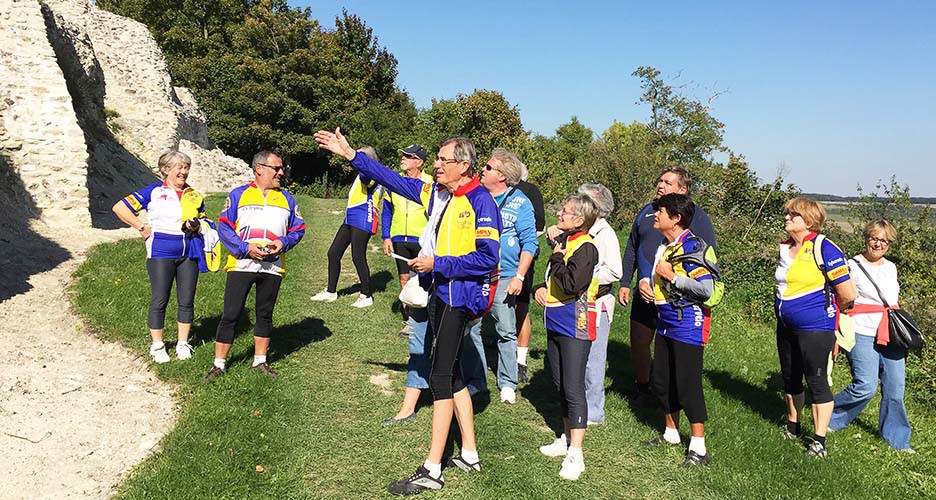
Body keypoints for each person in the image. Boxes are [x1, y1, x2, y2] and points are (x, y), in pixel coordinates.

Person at [314, 128, 500, 496]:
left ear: (463, 165)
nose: (436, 165)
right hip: (440, 291)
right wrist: (352, 154)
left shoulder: (481, 202)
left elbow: (487, 258)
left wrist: (437, 264)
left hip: (458, 297)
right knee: (454, 371)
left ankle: (432, 469)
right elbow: (392, 180)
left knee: (440, 375)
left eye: (443, 160)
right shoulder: (436, 192)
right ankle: (470, 453)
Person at [202, 151, 306, 380]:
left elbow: (298, 229)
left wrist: (283, 242)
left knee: (265, 314)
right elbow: (224, 227)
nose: (281, 172)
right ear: (259, 168)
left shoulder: (287, 199)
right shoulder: (239, 195)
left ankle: (260, 361)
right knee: (231, 314)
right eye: (276, 168)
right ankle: (218, 365)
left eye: (281, 169)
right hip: (242, 264)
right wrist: (245, 248)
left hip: (273, 266)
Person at [618, 167, 716, 403]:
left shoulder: (697, 217)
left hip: (676, 296)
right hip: (645, 289)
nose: (660, 185)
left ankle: (673, 393)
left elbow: (706, 256)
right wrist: (626, 281)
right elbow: (634, 246)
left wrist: (679, 281)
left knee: (670, 346)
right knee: (639, 340)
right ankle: (642, 388)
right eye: (660, 181)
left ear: (683, 189)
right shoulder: (647, 212)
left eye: (667, 182)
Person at [637, 193, 715, 467]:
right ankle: (671, 433)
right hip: (666, 319)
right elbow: (658, 276)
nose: (655, 215)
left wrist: (672, 277)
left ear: (676, 218)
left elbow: (707, 289)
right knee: (663, 380)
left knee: (687, 383)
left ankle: (699, 448)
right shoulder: (664, 245)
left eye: (660, 211)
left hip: (688, 323)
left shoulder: (694, 246)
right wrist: (646, 283)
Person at [774, 196, 856, 458]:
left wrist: (830, 315)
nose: (787, 218)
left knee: (817, 380)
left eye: (793, 215)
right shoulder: (784, 247)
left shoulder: (824, 247)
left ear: (808, 221)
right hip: (785, 324)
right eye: (787, 214)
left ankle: (819, 440)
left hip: (816, 326)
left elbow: (847, 293)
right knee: (790, 377)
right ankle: (793, 425)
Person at [112, 150, 208, 363]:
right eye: (179, 168)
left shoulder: (194, 194)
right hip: (161, 251)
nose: (183, 172)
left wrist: (197, 224)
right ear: (166, 170)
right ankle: (157, 345)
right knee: (159, 299)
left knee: (187, 299)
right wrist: (140, 226)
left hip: (188, 250)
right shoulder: (154, 191)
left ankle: (183, 343)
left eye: (186, 168)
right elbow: (119, 207)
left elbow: (205, 220)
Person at [462, 148, 538, 404]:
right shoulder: (477, 196)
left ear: (502, 176)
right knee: (471, 327)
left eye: (487, 167)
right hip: (476, 272)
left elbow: (530, 243)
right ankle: (476, 379)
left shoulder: (520, 202)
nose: (482, 170)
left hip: (505, 275)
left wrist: (519, 276)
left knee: (505, 330)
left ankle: (507, 382)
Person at [829, 220, 912, 452]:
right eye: (874, 238)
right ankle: (828, 417)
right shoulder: (851, 265)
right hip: (862, 330)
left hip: (890, 334)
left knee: (895, 388)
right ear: (866, 238)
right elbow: (841, 297)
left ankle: (897, 440)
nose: (878, 244)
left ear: (890, 244)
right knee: (865, 386)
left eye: (884, 240)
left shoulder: (891, 268)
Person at [534, 193, 600, 481]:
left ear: (579, 219)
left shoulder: (586, 247)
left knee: (573, 388)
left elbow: (572, 283)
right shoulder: (565, 241)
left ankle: (577, 453)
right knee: (560, 384)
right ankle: (565, 436)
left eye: (566, 211)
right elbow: (552, 277)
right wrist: (539, 286)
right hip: (556, 320)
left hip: (577, 323)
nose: (559, 213)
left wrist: (558, 257)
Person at [545, 184, 621, 424]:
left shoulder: (605, 234)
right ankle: (576, 412)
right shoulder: (577, 234)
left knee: (593, 361)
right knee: (575, 366)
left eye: (583, 200)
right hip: (569, 303)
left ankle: (593, 412)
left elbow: (615, 271)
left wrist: (591, 277)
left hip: (592, 303)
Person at [310, 146, 383, 308]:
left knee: (358, 256)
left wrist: (358, 161)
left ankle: (366, 295)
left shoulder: (373, 173)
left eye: (360, 157)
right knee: (333, 253)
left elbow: (367, 180)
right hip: (350, 218)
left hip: (363, 218)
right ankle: (330, 292)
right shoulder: (362, 173)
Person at [381, 145, 433, 336]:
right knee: (404, 278)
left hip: (421, 240)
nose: (402, 158)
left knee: (424, 279)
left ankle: (427, 319)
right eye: (402, 155)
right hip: (399, 238)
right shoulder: (395, 181)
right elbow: (387, 209)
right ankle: (410, 321)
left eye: (407, 156)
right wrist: (386, 236)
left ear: (419, 162)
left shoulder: (431, 183)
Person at [514, 162, 546, 383]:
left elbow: (540, 224)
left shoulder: (530, 191)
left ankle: (520, 361)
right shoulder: (490, 190)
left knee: (521, 306)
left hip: (522, 256)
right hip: (496, 258)